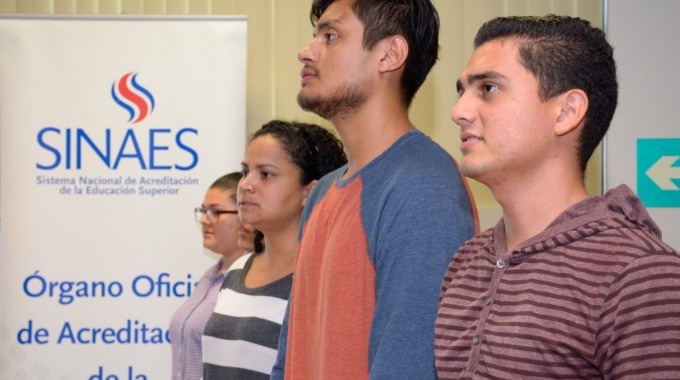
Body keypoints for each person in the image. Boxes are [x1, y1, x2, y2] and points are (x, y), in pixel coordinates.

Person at [435, 15, 680, 379]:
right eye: (462, 91)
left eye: (488, 88)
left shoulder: (640, 274)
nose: (459, 111)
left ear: (566, 112)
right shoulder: (466, 261)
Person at [272, 0, 478, 378]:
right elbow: (290, 357)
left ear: (389, 54)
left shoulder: (423, 188)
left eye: (330, 36)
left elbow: (410, 367)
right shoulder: (322, 192)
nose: (307, 51)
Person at [201, 120, 347, 379]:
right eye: (245, 171)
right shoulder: (236, 271)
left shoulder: (323, 282)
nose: (245, 184)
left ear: (310, 192)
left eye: (266, 174)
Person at [169, 172, 255, 380]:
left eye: (216, 212)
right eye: (204, 211)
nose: (205, 220)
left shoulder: (250, 281)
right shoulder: (209, 277)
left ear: (243, 215)